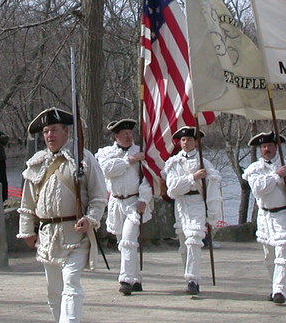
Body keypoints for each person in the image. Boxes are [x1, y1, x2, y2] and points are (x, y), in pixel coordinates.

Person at [17, 107, 107, 323]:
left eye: (54, 130)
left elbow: (99, 197)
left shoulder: (83, 159)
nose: (50, 135)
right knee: (54, 291)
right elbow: (27, 203)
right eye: (46, 131)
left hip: (75, 235)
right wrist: (27, 230)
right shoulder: (36, 163)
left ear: (67, 132)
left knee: (71, 283)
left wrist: (90, 219)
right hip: (47, 235)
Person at [243, 131, 286, 304]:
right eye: (264, 146)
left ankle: (280, 290)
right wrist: (276, 175)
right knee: (269, 257)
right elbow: (258, 189)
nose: (267, 149)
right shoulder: (254, 170)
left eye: (270, 146)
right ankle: (274, 287)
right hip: (264, 216)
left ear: (276, 147)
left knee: (282, 254)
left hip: (283, 216)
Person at [162, 126, 223, 295]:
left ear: (196, 142)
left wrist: (212, 212)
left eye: (189, 139)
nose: (186, 143)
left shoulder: (204, 163)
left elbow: (212, 188)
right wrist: (192, 177)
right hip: (181, 204)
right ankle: (188, 276)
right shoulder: (173, 163)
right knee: (184, 244)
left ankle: (193, 280)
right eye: (183, 140)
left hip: (197, 202)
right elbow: (173, 189)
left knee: (194, 239)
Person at [95, 118, 151, 295]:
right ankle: (136, 279)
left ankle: (126, 279)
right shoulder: (106, 153)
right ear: (116, 136)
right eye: (124, 134)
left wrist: (144, 199)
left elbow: (148, 179)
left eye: (130, 133)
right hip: (116, 203)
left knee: (128, 240)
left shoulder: (141, 152)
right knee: (123, 243)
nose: (128, 136)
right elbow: (107, 170)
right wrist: (130, 160)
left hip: (134, 202)